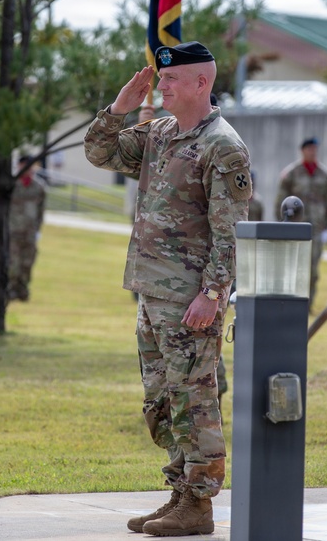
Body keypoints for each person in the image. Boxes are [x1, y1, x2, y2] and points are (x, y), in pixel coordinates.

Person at [84, 41, 251, 537]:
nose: (162, 85)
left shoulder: (222, 146)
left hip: (190, 298)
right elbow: (99, 152)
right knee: (162, 401)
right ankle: (180, 493)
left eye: (171, 78)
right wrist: (119, 109)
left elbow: (229, 232)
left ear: (201, 83)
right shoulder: (160, 133)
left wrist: (213, 294)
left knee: (194, 399)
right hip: (152, 290)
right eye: (162, 77)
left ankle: (198, 505)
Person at [276, 138, 327, 302]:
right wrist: (283, 224)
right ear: (302, 151)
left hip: (316, 227)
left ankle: (308, 301)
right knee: (293, 266)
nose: (312, 152)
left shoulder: (325, 175)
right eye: (309, 149)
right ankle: (292, 300)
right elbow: (281, 201)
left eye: (315, 149)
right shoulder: (291, 173)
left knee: (313, 267)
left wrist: (326, 226)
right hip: (295, 227)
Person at [8, 154, 47, 301]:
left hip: (29, 232)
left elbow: (40, 211)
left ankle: (22, 289)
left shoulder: (39, 187)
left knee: (27, 262)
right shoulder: (12, 185)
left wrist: (38, 230)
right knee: (13, 263)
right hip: (13, 231)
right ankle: (11, 289)